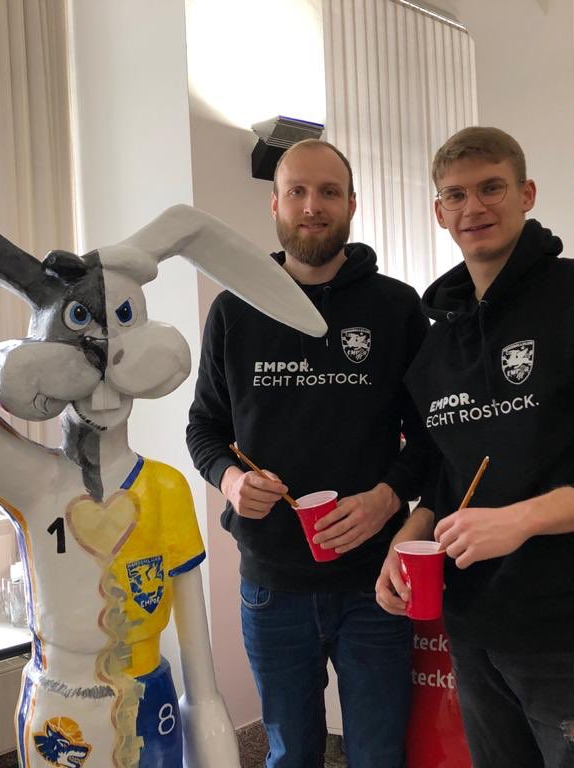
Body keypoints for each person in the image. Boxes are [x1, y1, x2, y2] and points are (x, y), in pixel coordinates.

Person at [375, 126, 574, 768]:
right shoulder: (437, 346)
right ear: (439, 213)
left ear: (526, 193)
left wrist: (522, 521)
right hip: (472, 626)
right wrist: (407, 535)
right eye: (456, 195)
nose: (474, 208)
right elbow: (450, 467)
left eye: (492, 187)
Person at [186, 139, 432, 767]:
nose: (312, 206)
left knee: (379, 753)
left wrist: (387, 498)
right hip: (273, 585)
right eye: (297, 191)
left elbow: (434, 436)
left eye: (328, 192)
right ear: (274, 204)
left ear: (352, 203)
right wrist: (231, 481)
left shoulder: (396, 308)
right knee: (290, 753)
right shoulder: (234, 311)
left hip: (375, 582)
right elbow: (204, 430)